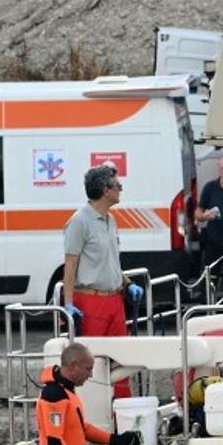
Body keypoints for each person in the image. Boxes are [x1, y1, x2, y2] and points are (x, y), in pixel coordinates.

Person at [62, 164, 144, 398]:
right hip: (90, 301)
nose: (121, 189)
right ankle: (92, 415)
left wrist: (127, 283)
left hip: (113, 300)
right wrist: (68, 304)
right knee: (92, 361)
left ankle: (122, 416)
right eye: (118, 185)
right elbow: (70, 264)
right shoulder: (79, 222)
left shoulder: (110, 219)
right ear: (105, 190)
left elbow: (111, 261)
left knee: (121, 361)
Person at [194, 155, 223, 285]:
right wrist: (204, 216)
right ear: (219, 170)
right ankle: (209, 301)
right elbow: (198, 212)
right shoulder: (210, 188)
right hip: (215, 240)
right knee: (211, 276)